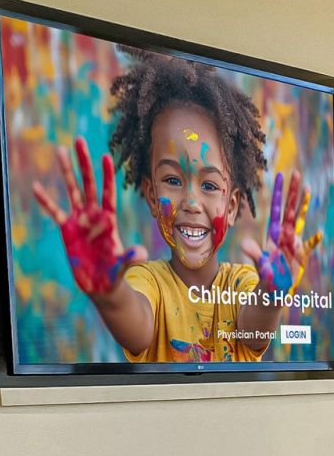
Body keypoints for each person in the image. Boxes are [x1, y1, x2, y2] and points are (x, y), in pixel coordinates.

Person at [32, 49, 312, 363]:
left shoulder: (241, 284)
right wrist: (109, 295)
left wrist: (272, 296)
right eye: (173, 181)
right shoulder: (148, 282)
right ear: (152, 196)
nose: (191, 203)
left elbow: (255, 326)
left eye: (209, 185)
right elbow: (136, 325)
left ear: (231, 206)